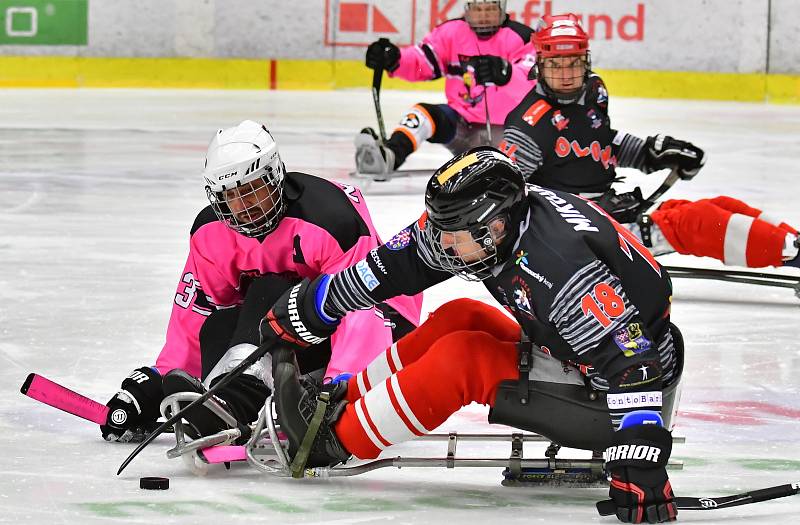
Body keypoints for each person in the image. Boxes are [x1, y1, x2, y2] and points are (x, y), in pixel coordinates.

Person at [262, 147, 681, 523]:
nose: (444, 246)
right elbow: (396, 263)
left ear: (498, 226)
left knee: (464, 358)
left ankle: (334, 440)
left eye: (456, 238)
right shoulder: (492, 221)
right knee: (458, 316)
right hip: (581, 350)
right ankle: (343, 398)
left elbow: (632, 360)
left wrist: (639, 455)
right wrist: (315, 305)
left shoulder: (561, 269)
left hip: (619, 396)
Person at [99, 120, 421, 444]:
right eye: (230, 196)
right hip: (291, 332)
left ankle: (235, 402)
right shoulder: (210, 233)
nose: (243, 206)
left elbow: (363, 306)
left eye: (252, 188)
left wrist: (338, 392)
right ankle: (219, 402)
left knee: (270, 290)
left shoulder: (329, 220)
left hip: (381, 327)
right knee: (221, 321)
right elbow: (197, 313)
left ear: (275, 177)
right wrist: (160, 381)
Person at [501, 14, 800, 270]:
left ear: (586, 60)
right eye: (556, 65)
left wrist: (651, 154)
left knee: (719, 205)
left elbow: (602, 140)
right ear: (539, 64)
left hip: (609, 212)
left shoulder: (593, 91)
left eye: (574, 63)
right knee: (695, 222)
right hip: (583, 235)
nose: (566, 75)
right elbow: (508, 200)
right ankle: (790, 253)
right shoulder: (527, 126)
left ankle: (794, 242)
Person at [355, 0, 536, 176]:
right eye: (477, 9)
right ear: (467, 9)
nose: (483, 16)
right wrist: (395, 60)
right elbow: (423, 63)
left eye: (489, 9)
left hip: (509, 134)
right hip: (461, 127)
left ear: (501, 8)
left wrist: (507, 74)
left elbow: (533, 80)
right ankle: (389, 156)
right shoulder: (451, 32)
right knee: (421, 115)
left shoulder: (522, 36)